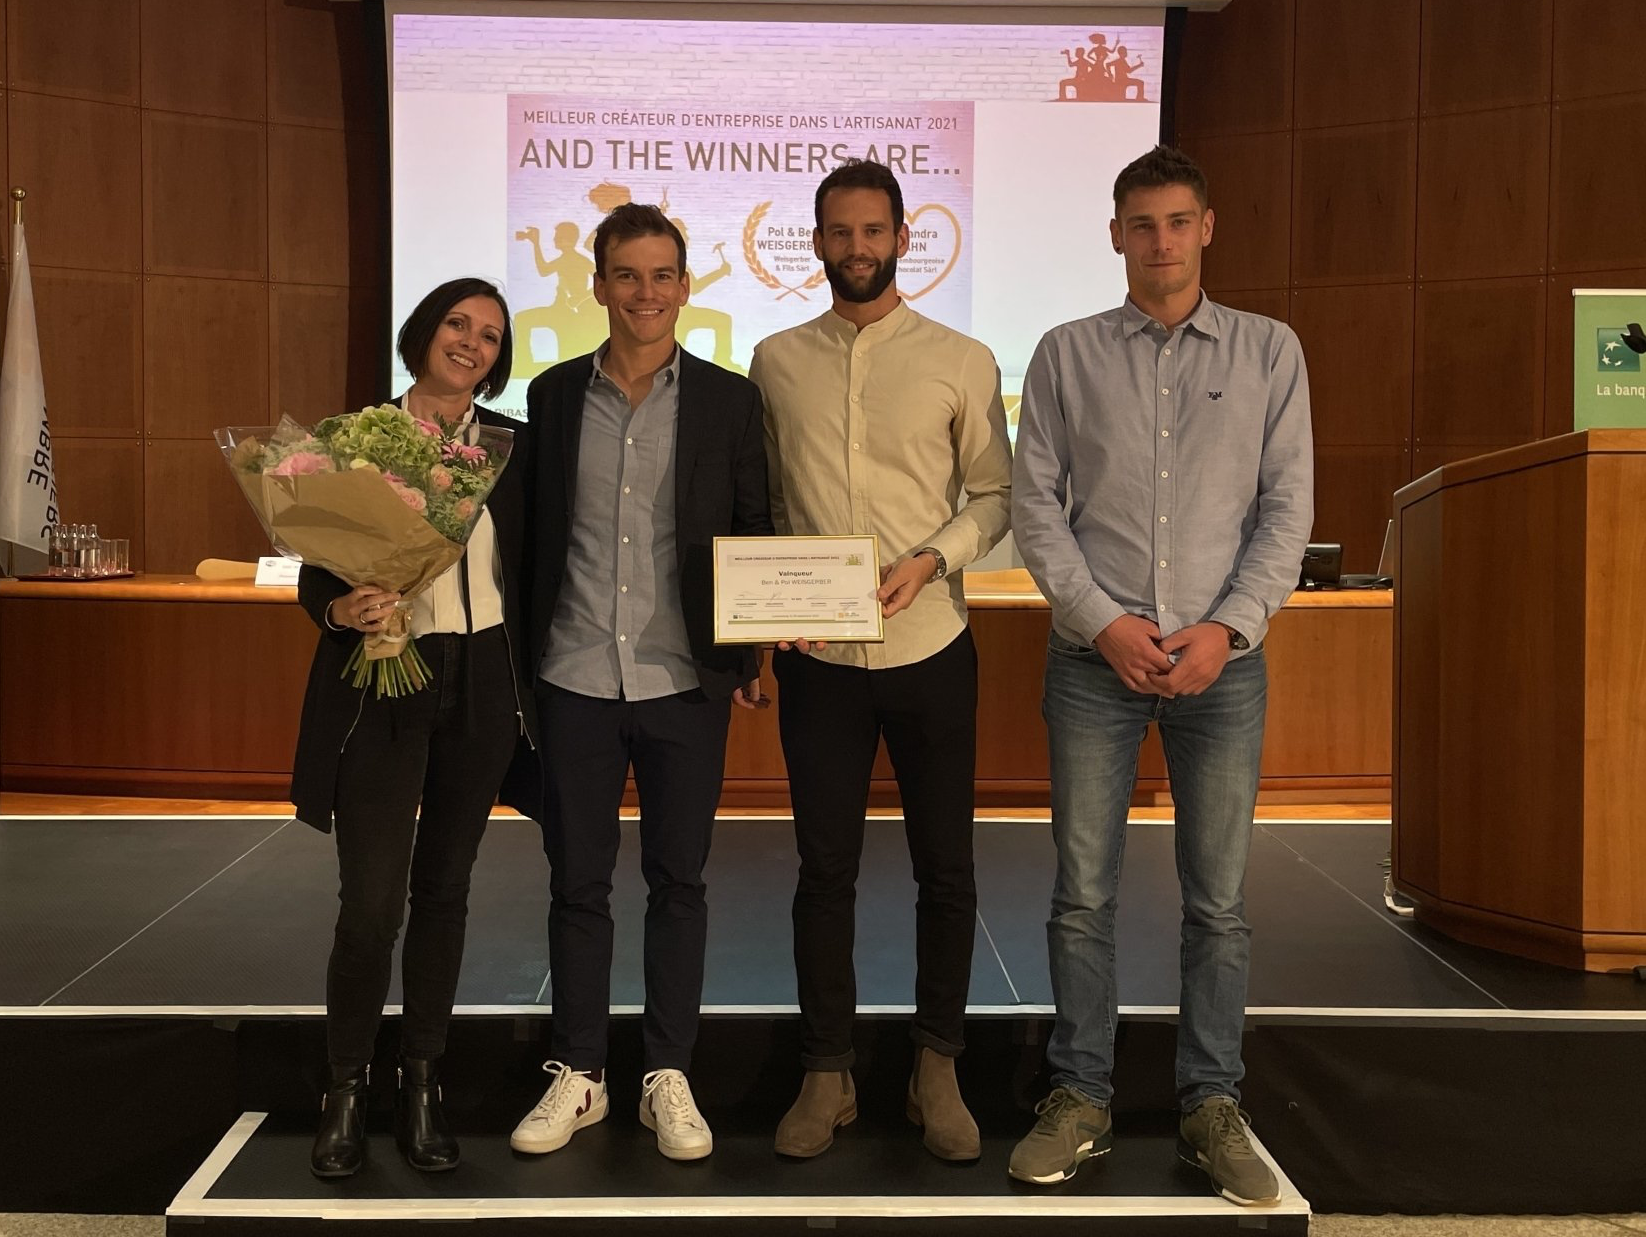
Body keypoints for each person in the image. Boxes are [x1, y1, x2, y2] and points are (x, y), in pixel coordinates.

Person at [1007, 145, 1313, 1205]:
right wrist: (1101, 624)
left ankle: (1210, 1105)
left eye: (1178, 221)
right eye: (1141, 224)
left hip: (1221, 667)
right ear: (1114, 235)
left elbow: (1286, 508)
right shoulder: (1064, 353)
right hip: (1093, 663)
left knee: (1217, 903)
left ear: (1206, 227)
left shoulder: (1270, 351)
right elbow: (1034, 505)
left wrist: (1226, 627)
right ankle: (1079, 1096)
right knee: (1081, 894)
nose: (1160, 241)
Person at [749, 159, 1012, 1162]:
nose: (855, 248)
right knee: (824, 872)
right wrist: (762, 611)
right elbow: (769, 504)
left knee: (946, 870)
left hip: (930, 644)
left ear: (903, 238)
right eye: (838, 231)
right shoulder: (774, 361)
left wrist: (932, 558)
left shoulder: (962, 359)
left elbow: (994, 494)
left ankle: (936, 1066)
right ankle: (828, 1070)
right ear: (816, 242)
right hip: (818, 659)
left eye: (872, 230)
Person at [504, 204, 772, 1163]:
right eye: (627, 275)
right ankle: (580, 1070)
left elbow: (754, 528)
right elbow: (532, 539)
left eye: (662, 276)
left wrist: (753, 652)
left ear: (685, 287)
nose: (645, 293)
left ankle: (667, 1071)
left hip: (682, 681)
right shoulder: (550, 397)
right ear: (598, 285)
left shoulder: (730, 401)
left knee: (678, 882)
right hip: (572, 675)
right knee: (576, 883)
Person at [295, 277, 537, 1178]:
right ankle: (345, 1086)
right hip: (385, 676)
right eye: (457, 325)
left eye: (490, 335)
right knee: (371, 903)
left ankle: (422, 1079)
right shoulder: (354, 441)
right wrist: (340, 608)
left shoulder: (512, 448)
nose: (471, 343)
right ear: (423, 333)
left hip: (483, 681)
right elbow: (314, 573)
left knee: (445, 891)